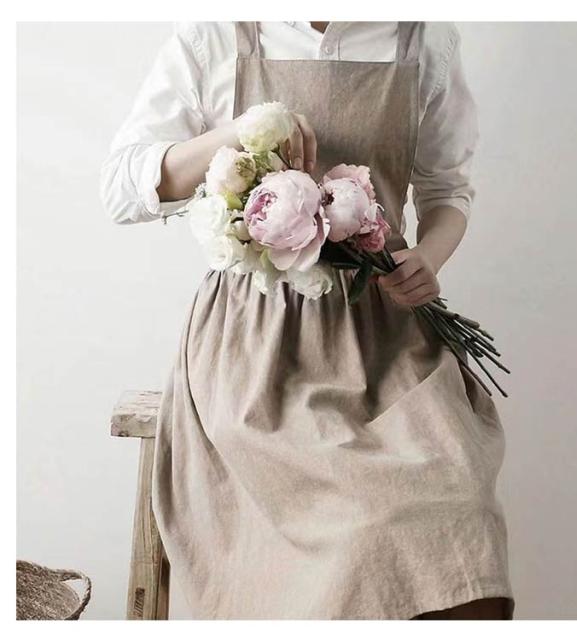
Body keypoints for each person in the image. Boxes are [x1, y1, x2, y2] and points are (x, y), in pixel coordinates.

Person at [100, 21, 515, 620]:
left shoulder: (423, 40)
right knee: (361, 533)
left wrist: (429, 258)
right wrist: (236, 134)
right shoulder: (215, 36)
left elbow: (448, 191)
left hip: (385, 339)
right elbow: (121, 188)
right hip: (255, 343)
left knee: (460, 506)